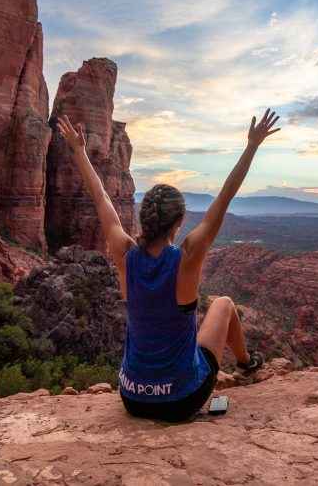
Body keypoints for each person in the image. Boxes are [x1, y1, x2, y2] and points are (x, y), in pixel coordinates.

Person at [54, 109, 281, 422]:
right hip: (182, 399)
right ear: (181, 220)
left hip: (133, 398)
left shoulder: (125, 255)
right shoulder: (186, 258)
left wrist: (78, 150)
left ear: (144, 216)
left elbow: (101, 198)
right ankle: (246, 366)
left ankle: (243, 366)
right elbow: (224, 198)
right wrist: (252, 146)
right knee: (225, 305)